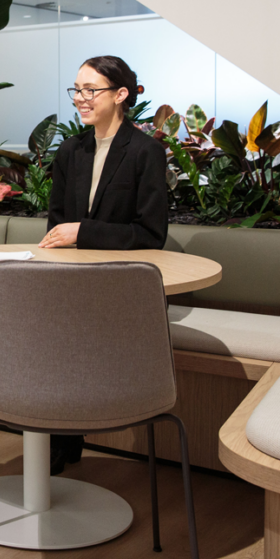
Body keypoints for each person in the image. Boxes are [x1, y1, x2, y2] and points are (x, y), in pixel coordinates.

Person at [40, 54, 169, 473]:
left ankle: (53, 432)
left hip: (123, 283)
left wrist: (85, 232)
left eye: (90, 90)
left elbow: (150, 234)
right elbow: (58, 225)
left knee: (62, 326)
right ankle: (3, 411)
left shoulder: (145, 151)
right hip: (73, 280)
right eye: (76, 89)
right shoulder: (70, 150)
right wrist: (70, 238)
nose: (80, 98)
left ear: (120, 94)